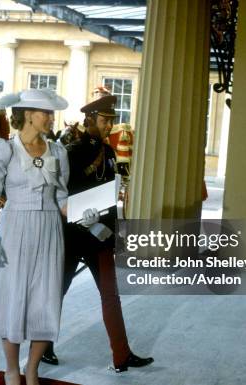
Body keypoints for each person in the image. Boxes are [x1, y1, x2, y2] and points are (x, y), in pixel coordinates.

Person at [42, 95, 154, 372]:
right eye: (105, 121)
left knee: (110, 296)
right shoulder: (70, 152)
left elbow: (110, 198)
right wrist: (90, 223)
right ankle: (43, 346)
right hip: (72, 235)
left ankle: (122, 355)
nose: (109, 126)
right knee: (57, 293)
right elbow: (62, 197)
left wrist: (115, 234)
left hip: (100, 237)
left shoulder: (110, 152)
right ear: (90, 119)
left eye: (112, 121)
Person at [0, 89, 69, 385]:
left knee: (46, 300)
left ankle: (32, 369)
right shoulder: (5, 148)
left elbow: (62, 198)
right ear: (29, 114)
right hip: (15, 229)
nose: (51, 118)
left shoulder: (58, 151)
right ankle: (11, 369)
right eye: (47, 113)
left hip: (50, 229)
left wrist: (86, 214)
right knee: (12, 298)